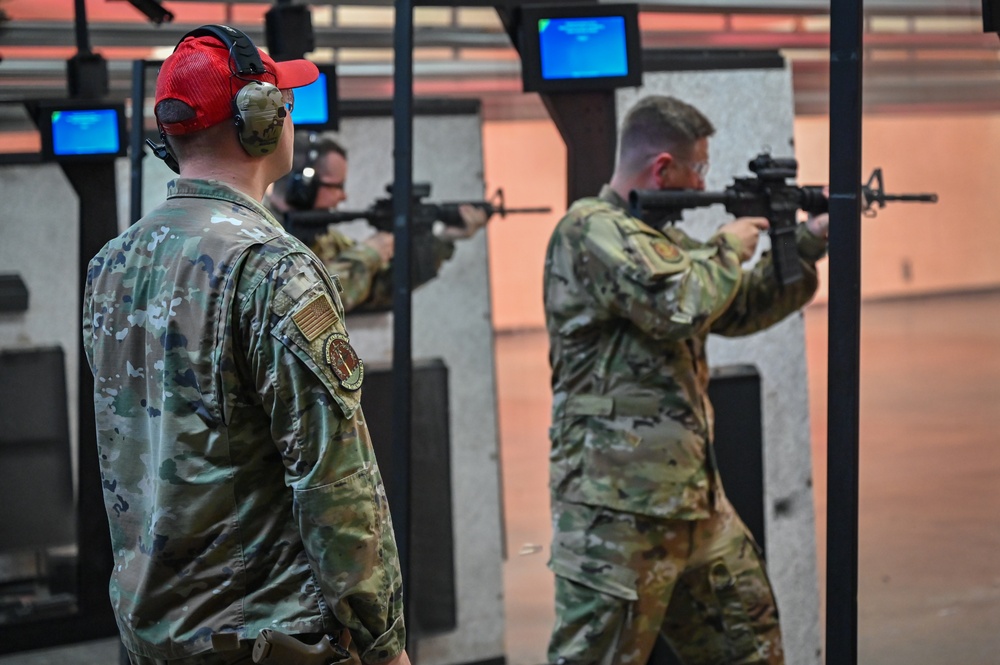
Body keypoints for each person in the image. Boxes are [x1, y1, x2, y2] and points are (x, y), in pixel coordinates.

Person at [82, 25, 410, 665]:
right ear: (261, 122)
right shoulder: (271, 268)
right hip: (265, 634)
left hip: (157, 636)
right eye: (280, 101)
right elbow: (335, 482)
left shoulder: (111, 264)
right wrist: (385, 642)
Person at [542, 95, 829, 665]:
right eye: (698, 167)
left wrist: (809, 239)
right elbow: (680, 304)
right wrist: (729, 245)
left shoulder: (663, 242)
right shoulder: (589, 230)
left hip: (695, 503)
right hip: (616, 514)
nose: (703, 179)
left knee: (750, 647)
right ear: (662, 168)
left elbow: (736, 306)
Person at [265, 133, 488, 311]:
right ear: (303, 186)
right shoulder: (261, 234)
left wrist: (441, 240)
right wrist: (370, 253)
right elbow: (306, 303)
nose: (343, 197)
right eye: (337, 186)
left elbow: (379, 290)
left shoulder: (324, 239)